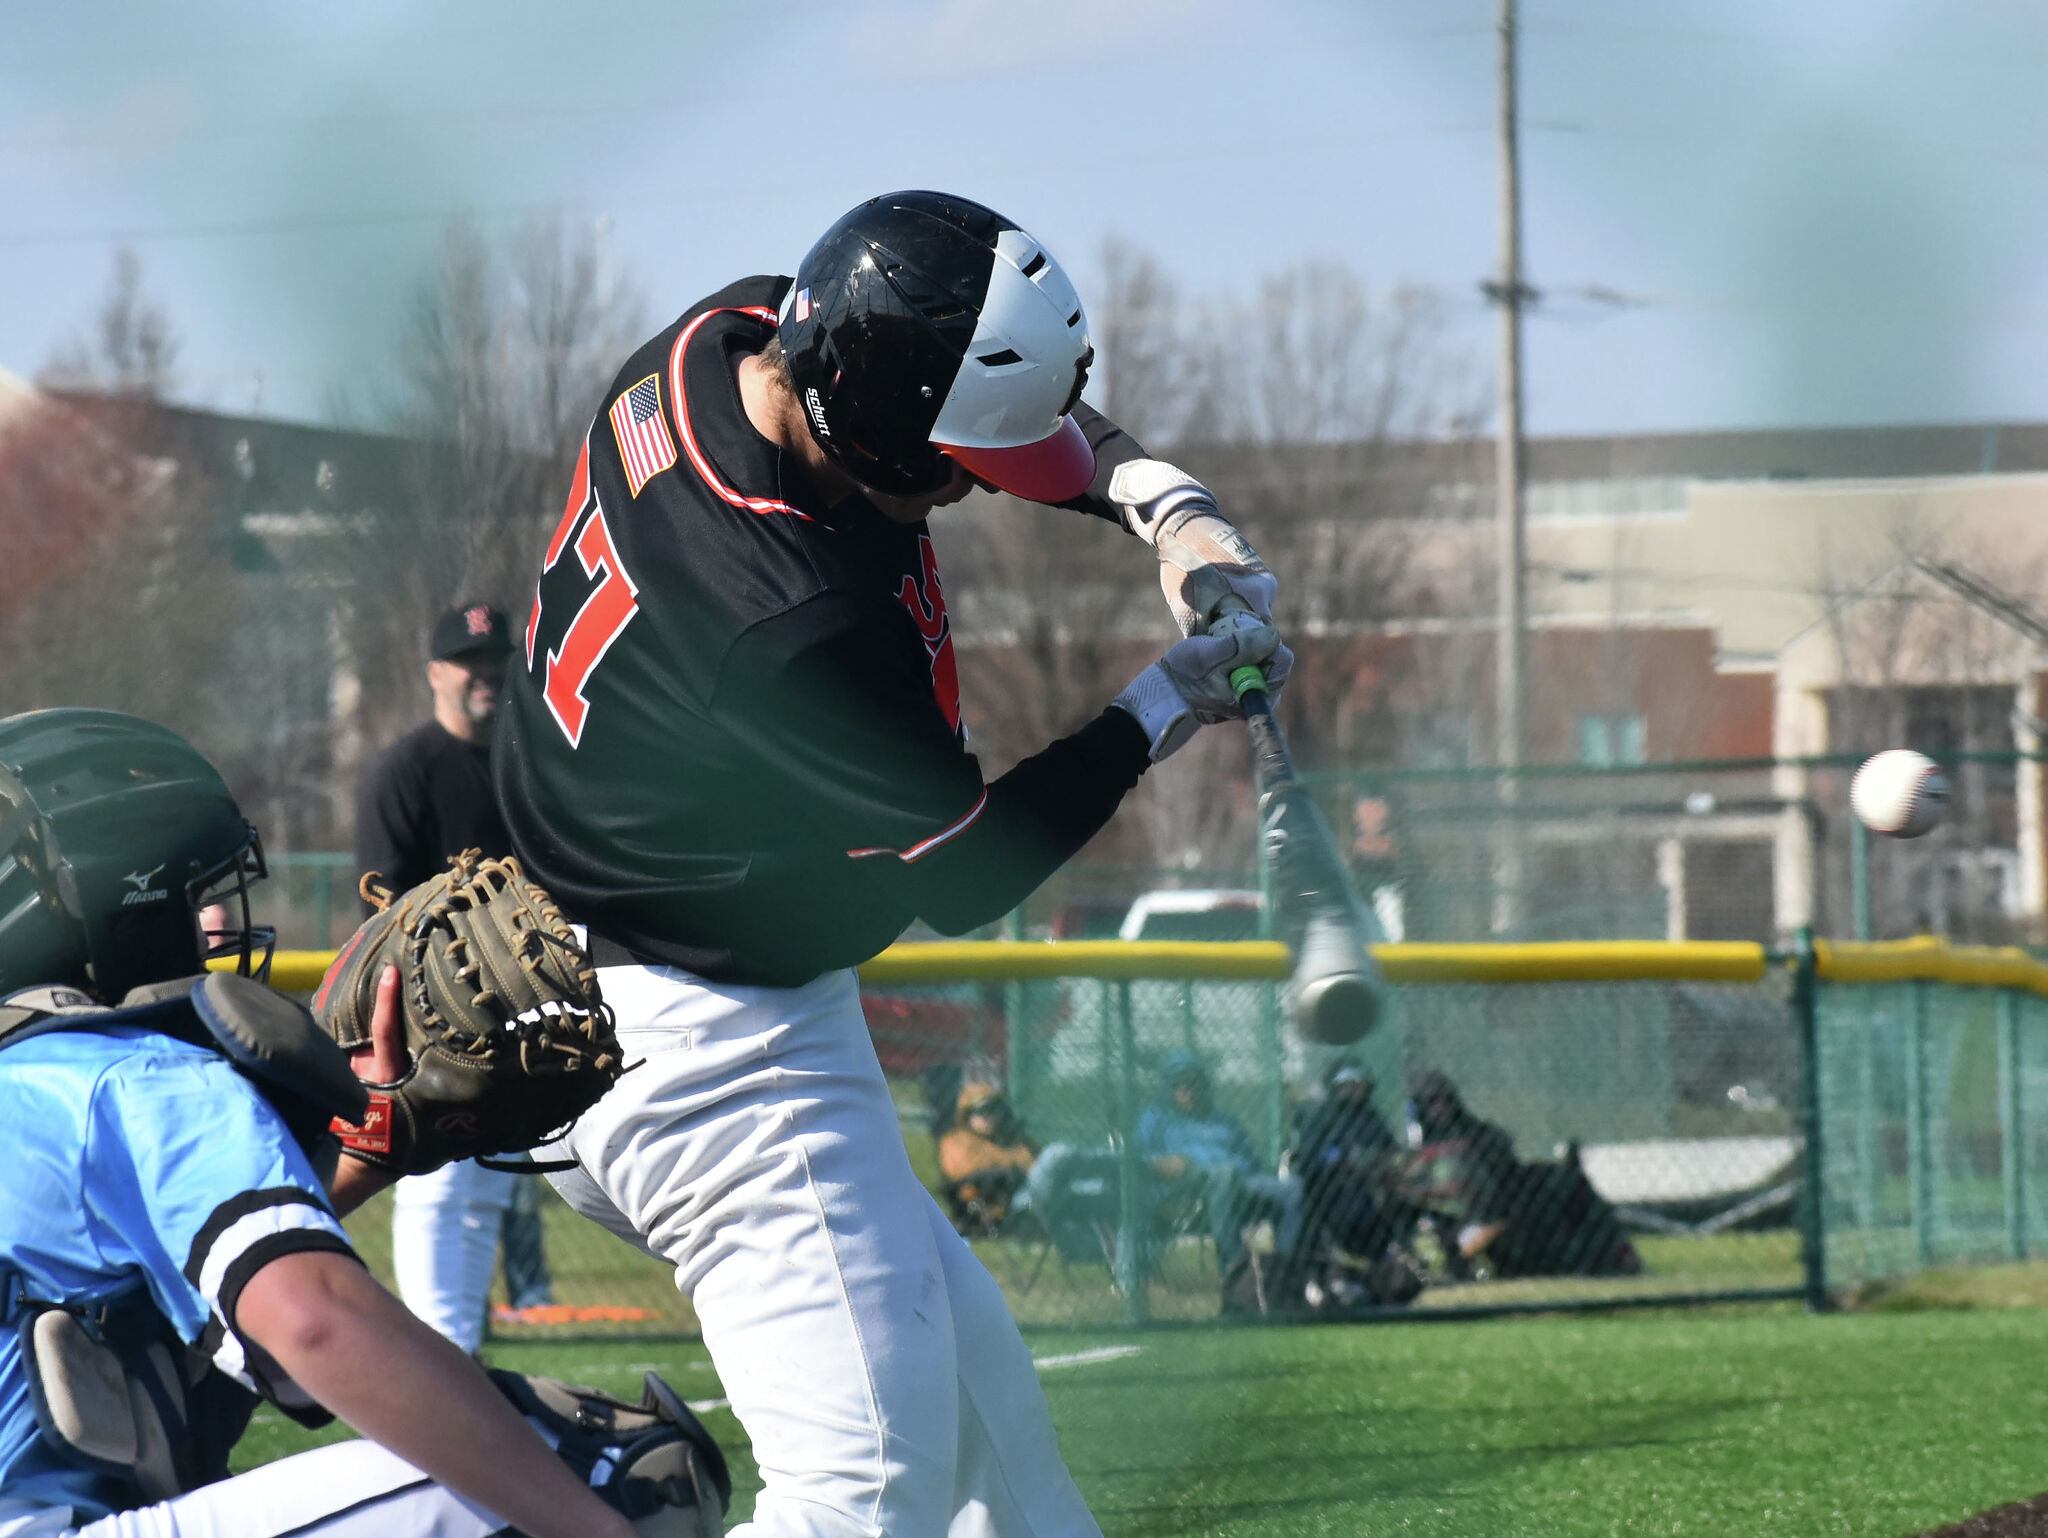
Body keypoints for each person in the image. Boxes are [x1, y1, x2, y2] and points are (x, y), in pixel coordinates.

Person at [496, 190, 1293, 1537]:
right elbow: (966, 871)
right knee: (862, 1504)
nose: (980, 488)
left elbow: (1005, 419)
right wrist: (1167, 701)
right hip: (718, 1064)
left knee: (1006, 1468)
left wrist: (1161, 501)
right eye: (959, 463)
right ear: (875, 420)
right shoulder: (799, 619)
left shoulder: (721, 337)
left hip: (620, 975)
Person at [0, 707, 664, 1538]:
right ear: (120, 913)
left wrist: (368, 1149)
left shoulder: (30, 1079)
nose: (218, 927)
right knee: (599, 1469)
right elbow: (311, 1323)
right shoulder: (140, 1076)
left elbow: (156, 1329)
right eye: (196, 898)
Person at [355, 603, 553, 1349]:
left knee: (490, 1191)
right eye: (468, 660)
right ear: (435, 672)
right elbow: (380, 913)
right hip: (439, 1022)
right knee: (443, 1189)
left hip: (531, 1014)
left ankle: (459, 1356)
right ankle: (443, 1355)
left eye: (496, 658)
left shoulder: (530, 763)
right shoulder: (405, 772)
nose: (486, 673)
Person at [1134, 1049, 1304, 1286]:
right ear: (1166, 1087)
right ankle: (1234, 1269)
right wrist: (1167, 1164)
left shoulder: (1223, 1120)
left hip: (1242, 1185)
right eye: (1178, 1084)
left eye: (1193, 1083)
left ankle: (1289, 1269)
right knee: (1223, 1174)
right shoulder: (1154, 1119)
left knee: (1295, 1188)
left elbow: (1251, 1162)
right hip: (1188, 1190)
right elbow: (1142, 1160)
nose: (1187, 1090)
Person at [935, 1081, 1037, 1235]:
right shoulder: (955, 1141)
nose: (989, 1116)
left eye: (993, 1110)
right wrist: (1007, 1167)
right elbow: (962, 1172)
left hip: (1021, 1199)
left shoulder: (1009, 1141)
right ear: (967, 1114)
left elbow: (1033, 1169)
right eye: (981, 1111)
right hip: (979, 1205)